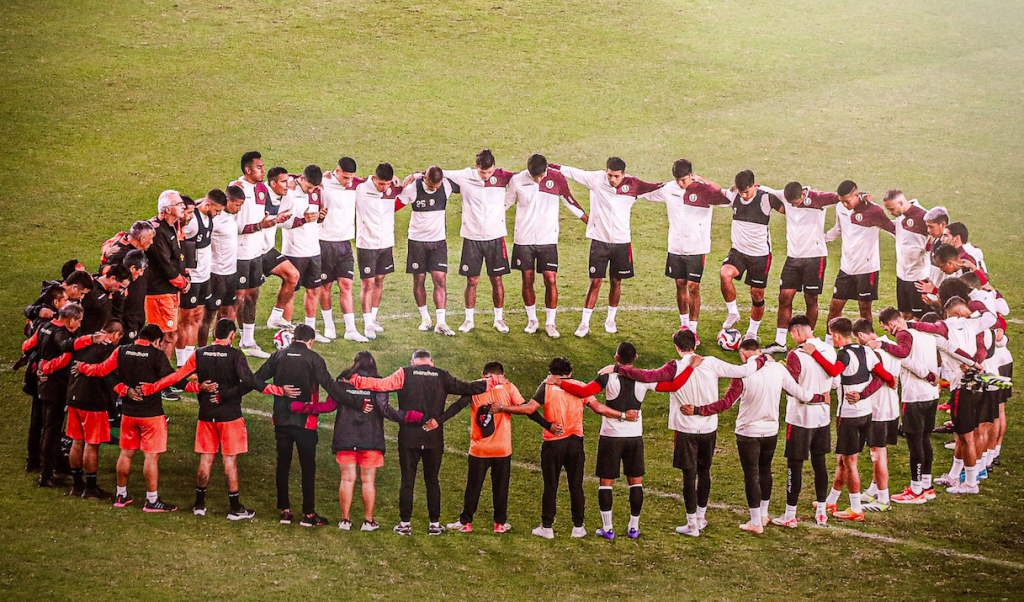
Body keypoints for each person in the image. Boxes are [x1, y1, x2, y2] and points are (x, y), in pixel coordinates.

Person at [612, 329, 765, 536]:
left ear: (677, 347)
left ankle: (692, 524)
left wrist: (618, 368)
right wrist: (761, 359)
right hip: (709, 427)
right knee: (704, 473)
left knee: (689, 476)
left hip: (685, 429)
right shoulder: (710, 362)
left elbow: (647, 376)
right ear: (696, 344)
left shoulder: (674, 367)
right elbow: (744, 371)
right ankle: (701, 517)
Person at [142, 319, 299, 519]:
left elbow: (177, 378)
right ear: (232, 335)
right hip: (230, 417)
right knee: (230, 462)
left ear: (214, 333)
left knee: (205, 460)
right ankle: (235, 508)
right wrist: (279, 390)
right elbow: (251, 381)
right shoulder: (235, 355)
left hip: (206, 415)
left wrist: (155, 388)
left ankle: (199, 505)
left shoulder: (199, 353)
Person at [347, 349, 492, 535]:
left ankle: (405, 524)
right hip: (433, 438)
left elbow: (381, 385)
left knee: (407, 481)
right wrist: (492, 381)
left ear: (413, 361)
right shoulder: (442, 375)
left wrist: (358, 381)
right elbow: (467, 388)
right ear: (431, 361)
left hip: (409, 437)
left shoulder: (404, 373)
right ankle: (434, 524)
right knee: (432, 481)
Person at [688, 339, 825, 533]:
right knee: (765, 470)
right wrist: (821, 398)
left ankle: (755, 522)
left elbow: (726, 403)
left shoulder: (744, 375)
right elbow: (800, 393)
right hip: (770, 431)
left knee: (751, 474)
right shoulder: (778, 369)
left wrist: (697, 410)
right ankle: (763, 514)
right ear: (759, 352)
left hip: (748, 432)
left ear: (743, 355)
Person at [291, 351, 423, 531]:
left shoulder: (343, 381)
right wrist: (409, 416)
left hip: (345, 438)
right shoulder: (377, 383)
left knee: (347, 479)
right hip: (371, 439)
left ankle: (345, 520)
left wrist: (302, 407)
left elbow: (328, 406)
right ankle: (368, 522)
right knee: (368, 481)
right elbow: (386, 410)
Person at [553, 342, 672, 539]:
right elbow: (672, 385)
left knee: (606, 482)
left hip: (611, 436)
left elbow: (584, 392)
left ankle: (608, 529)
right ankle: (633, 528)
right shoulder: (644, 380)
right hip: (634, 436)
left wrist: (560, 383)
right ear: (636, 357)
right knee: (636, 482)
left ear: (616, 358)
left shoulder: (607, 376)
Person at [253, 324, 355, 527]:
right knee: (308, 467)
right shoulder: (314, 358)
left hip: (281, 419)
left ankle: (285, 511)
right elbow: (329, 386)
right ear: (311, 341)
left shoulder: (278, 356)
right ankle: (308, 514)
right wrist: (355, 401)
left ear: (293, 339)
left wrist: (278, 390)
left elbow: (256, 380)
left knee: (283, 464)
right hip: (306, 422)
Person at [551, 157, 662, 337]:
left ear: (623, 174)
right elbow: (573, 172)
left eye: (616, 176)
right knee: (595, 282)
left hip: (621, 242)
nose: (612, 179)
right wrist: (552, 166)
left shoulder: (634, 185)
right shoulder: (596, 179)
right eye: (610, 175)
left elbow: (656, 187)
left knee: (616, 281)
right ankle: (584, 323)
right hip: (599, 241)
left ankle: (610, 319)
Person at [529, 357, 635, 539]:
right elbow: (599, 408)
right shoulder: (580, 386)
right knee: (576, 485)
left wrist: (547, 425)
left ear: (551, 373)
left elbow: (530, 409)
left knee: (550, 486)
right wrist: (623, 415)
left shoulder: (546, 386)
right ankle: (578, 526)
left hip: (553, 443)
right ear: (569, 373)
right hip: (575, 442)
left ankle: (547, 527)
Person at [75, 324, 177, 512]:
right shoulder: (157, 355)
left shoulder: (121, 350)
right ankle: (152, 500)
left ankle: (121, 494)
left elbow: (103, 371)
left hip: (129, 413)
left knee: (125, 454)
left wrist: (84, 368)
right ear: (156, 341)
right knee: (151, 458)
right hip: (151, 414)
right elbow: (171, 379)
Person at [802, 318, 896, 521]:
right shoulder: (867, 351)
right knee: (843, 460)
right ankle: (832, 500)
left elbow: (833, 371)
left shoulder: (844, 355)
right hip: (866, 413)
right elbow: (884, 374)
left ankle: (855, 509)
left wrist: (815, 353)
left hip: (849, 416)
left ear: (835, 335)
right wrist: (890, 382)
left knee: (850, 462)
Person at [640, 159, 730, 344]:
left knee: (693, 287)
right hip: (675, 246)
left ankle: (693, 330)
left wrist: (704, 180)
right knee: (680, 284)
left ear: (691, 175)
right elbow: (646, 192)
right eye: (678, 180)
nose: (681, 184)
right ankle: (683, 325)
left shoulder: (704, 190)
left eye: (684, 180)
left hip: (696, 247)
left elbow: (727, 199)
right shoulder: (669, 189)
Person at [915, 297, 996, 494]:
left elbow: (951, 348)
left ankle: (970, 483)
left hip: (962, 386)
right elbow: (991, 319)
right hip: (976, 384)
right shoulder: (970, 323)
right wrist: (975, 361)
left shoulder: (942, 332)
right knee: (961, 435)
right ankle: (954, 475)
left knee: (965, 436)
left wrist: (971, 362)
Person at [438, 362, 529, 534]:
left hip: (479, 449)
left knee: (473, 486)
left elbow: (457, 406)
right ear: (502, 374)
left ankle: (466, 523)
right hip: (502, 449)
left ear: (483, 375)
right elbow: (525, 407)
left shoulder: (477, 387)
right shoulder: (509, 387)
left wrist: (439, 420)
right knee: (501, 487)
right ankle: (499, 524)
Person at [504, 153, 588, 338]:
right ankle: (532, 320)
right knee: (527, 278)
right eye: (535, 176)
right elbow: (506, 202)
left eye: (541, 176)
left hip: (548, 239)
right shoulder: (517, 180)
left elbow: (569, 199)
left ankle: (551, 323)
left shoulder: (556, 177)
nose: (539, 179)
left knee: (550, 279)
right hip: (524, 240)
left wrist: (587, 220)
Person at [871, 307, 941, 504]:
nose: (887, 332)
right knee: (925, 439)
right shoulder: (924, 333)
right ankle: (926, 486)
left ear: (891, 324)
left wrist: (882, 345)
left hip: (915, 396)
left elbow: (904, 356)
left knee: (915, 442)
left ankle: (916, 490)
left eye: (886, 328)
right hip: (931, 394)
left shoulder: (903, 334)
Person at [443, 150, 516, 334]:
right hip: (472, 237)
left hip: (496, 237)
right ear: (476, 166)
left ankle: (499, 319)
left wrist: (502, 208)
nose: (486, 176)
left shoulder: (503, 176)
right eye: (483, 173)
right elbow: (438, 172)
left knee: (497, 279)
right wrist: (414, 175)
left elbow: (523, 180)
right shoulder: (465, 176)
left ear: (494, 167)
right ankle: (469, 320)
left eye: (489, 172)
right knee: (472, 280)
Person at [763, 182, 840, 353]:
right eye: (790, 203)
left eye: (796, 202)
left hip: (815, 257)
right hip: (793, 258)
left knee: (810, 300)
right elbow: (768, 190)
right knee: (784, 297)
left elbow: (840, 197)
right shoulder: (786, 195)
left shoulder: (819, 199)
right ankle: (780, 342)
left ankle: (806, 342)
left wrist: (862, 197)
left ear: (803, 195)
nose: (793, 206)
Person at [34, 303, 106, 487]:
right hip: (56, 387)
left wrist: (41, 368)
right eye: (78, 321)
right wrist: (91, 339)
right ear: (70, 319)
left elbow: (34, 348)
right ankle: (46, 475)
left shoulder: (46, 327)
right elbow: (66, 346)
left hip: (45, 385)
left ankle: (48, 469)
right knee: (52, 432)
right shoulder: (60, 332)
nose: (79, 325)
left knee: (47, 430)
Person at [775, 316, 836, 527]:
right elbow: (835, 382)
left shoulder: (796, 354)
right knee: (820, 465)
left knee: (795, 466)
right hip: (823, 418)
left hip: (800, 418)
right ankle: (821, 512)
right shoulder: (829, 349)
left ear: (795, 333)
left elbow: (790, 387)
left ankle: (790, 515)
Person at [230, 151, 287, 359]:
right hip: (239, 253)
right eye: (259, 167)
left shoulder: (261, 189)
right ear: (248, 170)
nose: (263, 170)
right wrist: (259, 225)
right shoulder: (236, 189)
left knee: (252, 296)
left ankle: (248, 341)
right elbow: (231, 226)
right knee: (238, 297)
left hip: (256, 252)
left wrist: (270, 222)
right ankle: (225, 340)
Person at [719, 170, 786, 343]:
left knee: (757, 294)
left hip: (760, 255)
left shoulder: (766, 198)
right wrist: (698, 178)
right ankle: (733, 312)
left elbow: (788, 208)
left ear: (754, 186)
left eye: (747, 192)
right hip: (738, 251)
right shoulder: (735, 195)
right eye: (741, 192)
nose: (744, 196)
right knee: (725, 274)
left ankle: (752, 332)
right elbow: (718, 189)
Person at [823, 181, 895, 338]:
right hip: (846, 268)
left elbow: (892, 229)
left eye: (847, 201)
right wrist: (823, 238)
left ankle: (869, 342)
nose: (844, 204)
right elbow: (838, 229)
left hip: (867, 269)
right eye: (842, 201)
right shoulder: (841, 208)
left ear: (856, 196)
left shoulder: (873, 211)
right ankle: (829, 341)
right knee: (835, 306)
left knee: (864, 309)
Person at [396, 166, 458, 336]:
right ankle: (425, 318)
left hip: (438, 242)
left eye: (436, 187)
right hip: (417, 242)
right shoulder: (412, 189)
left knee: (440, 279)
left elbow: (466, 180)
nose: (434, 189)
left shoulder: (446, 185)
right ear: (425, 179)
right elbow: (394, 206)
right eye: (431, 186)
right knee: (419, 279)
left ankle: (441, 322)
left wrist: (417, 173)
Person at [66, 319, 124, 499]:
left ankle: (76, 485)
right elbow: (111, 376)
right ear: (116, 335)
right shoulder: (109, 351)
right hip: (93, 401)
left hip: (74, 397)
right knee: (92, 444)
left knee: (77, 441)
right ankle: (90, 488)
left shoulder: (86, 341)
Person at [852, 318, 904, 512]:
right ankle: (874, 488)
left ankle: (883, 498)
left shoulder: (872, 351)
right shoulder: (892, 346)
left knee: (877, 453)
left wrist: (861, 395)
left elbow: (879, 378)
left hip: (878, 409)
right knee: (880, 451)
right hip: (891, 408)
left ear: (862, 335)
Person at [315, 158, 366, 341]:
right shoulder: (324, 183)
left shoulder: (355, 185)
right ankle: (329, 326)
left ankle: (350, 329)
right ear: (337, 171)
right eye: (345, 177)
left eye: (351, 178)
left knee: (347, 285)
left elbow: (375, 181)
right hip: (325, 242)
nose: (348, 181)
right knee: (325, 286)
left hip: (345, 243)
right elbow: (299, 177)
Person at [20, 285, 68, 473]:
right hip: (46, 378)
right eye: (65, 300)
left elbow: (27, 346)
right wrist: (44, 366)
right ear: (56, 303)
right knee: (50, 424)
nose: (68, 303)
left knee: (37, 420)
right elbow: (63, 353)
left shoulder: (40, 322)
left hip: (36, 374)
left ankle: (33, 460)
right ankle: (49, 467)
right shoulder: (53, 325)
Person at [279, 165, 329, 342]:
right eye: (309, 186)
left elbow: (316, 219)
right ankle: (285, 330)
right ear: (302, 178)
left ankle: (311, 331)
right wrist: (303, 220)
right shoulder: (290, 191)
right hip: (294, 251)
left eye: (315, 187)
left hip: (313, 249)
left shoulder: (317, 191)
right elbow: (281, 220)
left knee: (313, 290)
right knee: (290, 292)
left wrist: (321, 216)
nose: (312, 190)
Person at [176, 189, 226, 362]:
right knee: (185, 320)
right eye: (217, 210)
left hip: (205, 276)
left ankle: (190, 360)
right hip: (192, 278)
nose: (218, 214)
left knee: (197, 318)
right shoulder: (191, 221)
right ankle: (182, 363)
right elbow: (177, 240)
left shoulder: (208, 216)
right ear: (207, 204)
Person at [354, 163, 402, 340]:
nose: (384, 188)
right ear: (374, 178)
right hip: (366, 244)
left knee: (380, 280)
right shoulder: (361, 189)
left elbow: (412, 186)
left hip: (386, 244)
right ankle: (367, 324)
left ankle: (373, 319)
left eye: (387, 184)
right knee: (367, 284)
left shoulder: (392, 189)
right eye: (381, 184)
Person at [145, 190, 190, 360]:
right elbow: (165, 264)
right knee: (165, 337)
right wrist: (182, 283)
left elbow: (177, 258)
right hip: (159, 293)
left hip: (169, 291)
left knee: (169, 336)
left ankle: (160, 378)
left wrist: (185, 277)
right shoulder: (157, 231)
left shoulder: (172, 227)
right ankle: (159, 379)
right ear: (166, 209)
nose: (183, 207)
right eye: (178, 204)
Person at [881, 190, 931, 319]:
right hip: (902, 276)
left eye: (891, 209)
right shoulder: (900, 217)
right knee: (905, 315)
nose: (890, 213)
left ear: (901, 203)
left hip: (919, 276)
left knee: (920, 317)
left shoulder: (924, 216)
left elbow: (936, 241)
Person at [261, 166, 301, 328]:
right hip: (250, 252)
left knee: (293, 275)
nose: (287, 185)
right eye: (283, 182)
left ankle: (275, 317)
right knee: (245, 296)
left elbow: (287, 223)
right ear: (272, 183)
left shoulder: (285, 196)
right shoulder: (260, 193)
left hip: (267, 250)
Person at [208, 188, 245, 342]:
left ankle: (221, 344)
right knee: (208, 316)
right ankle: (204, 348)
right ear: (228, 201)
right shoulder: (215, 219)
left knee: (226, 312)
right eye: (237, 205)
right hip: (217, 273)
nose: (239, 209)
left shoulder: (230, 216)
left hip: (231, 272)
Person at [80, 264, 131, 334]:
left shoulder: (114, 293)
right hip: (88, 338)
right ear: (112, 278)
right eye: (121, 287)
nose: (121, 291)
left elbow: (117, 315)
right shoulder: (91, 292)